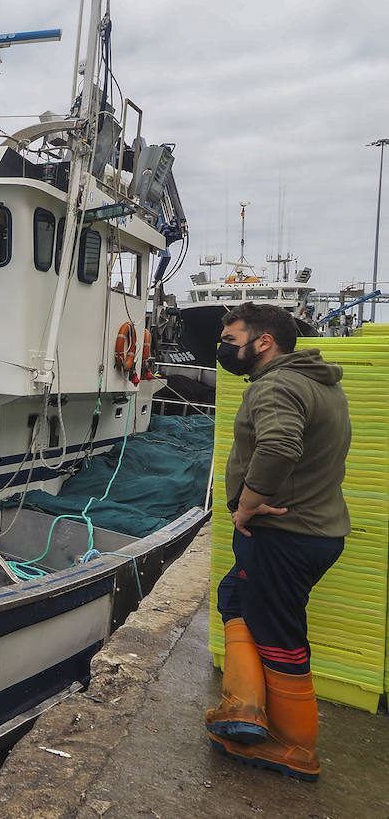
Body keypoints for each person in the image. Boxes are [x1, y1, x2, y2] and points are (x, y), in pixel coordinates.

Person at [206, 302, 350, 782]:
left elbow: (279, 445)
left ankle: (294, 747)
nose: (224, 348)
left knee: (280, 637)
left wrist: (247, 504)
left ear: (263, 341)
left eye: (231, 339)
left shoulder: (277, 385)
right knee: (234, 599)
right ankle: (243, 707)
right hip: (312, 531)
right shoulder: (318, 383)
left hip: (285, 536)